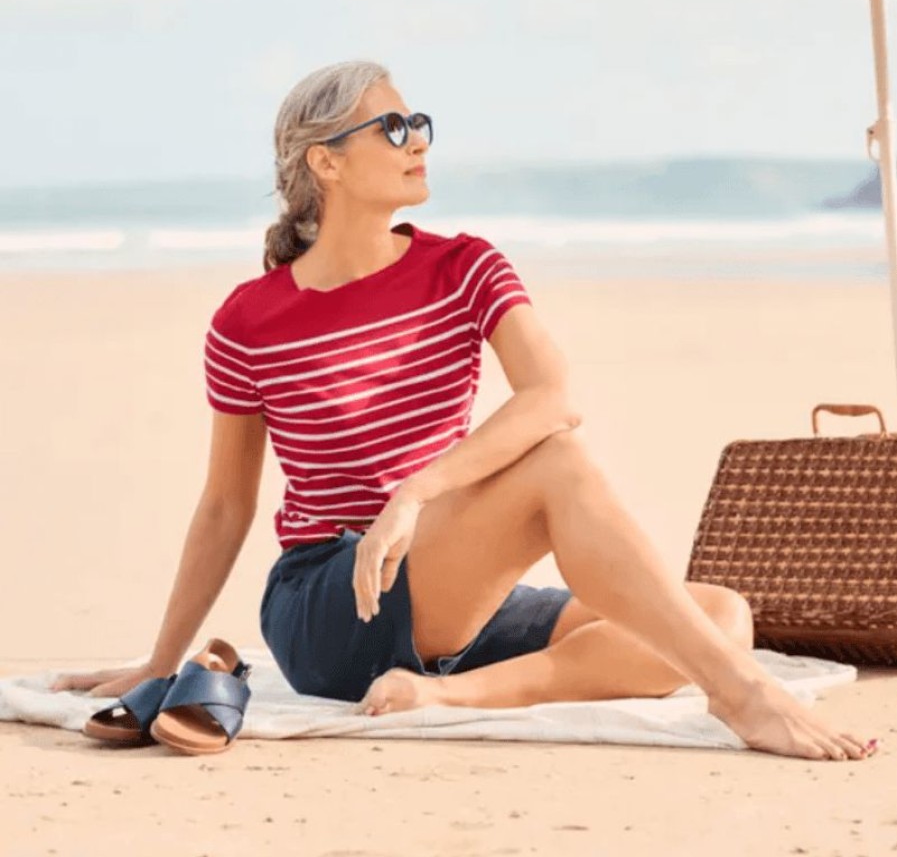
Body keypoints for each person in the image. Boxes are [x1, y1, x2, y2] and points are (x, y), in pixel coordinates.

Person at [52, 59, 877, 761]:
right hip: (330, 601)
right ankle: (742, 698)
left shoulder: (465, 267)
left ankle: (452, 694)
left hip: (452, 592)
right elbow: (227, 503)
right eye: (393, 128)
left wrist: (414, 495)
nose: (419, 142)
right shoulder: (248, 319)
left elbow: (555, 393)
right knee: (557, 465)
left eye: (419, 123)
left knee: (720, 612)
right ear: (325, 163)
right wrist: (158, 660)